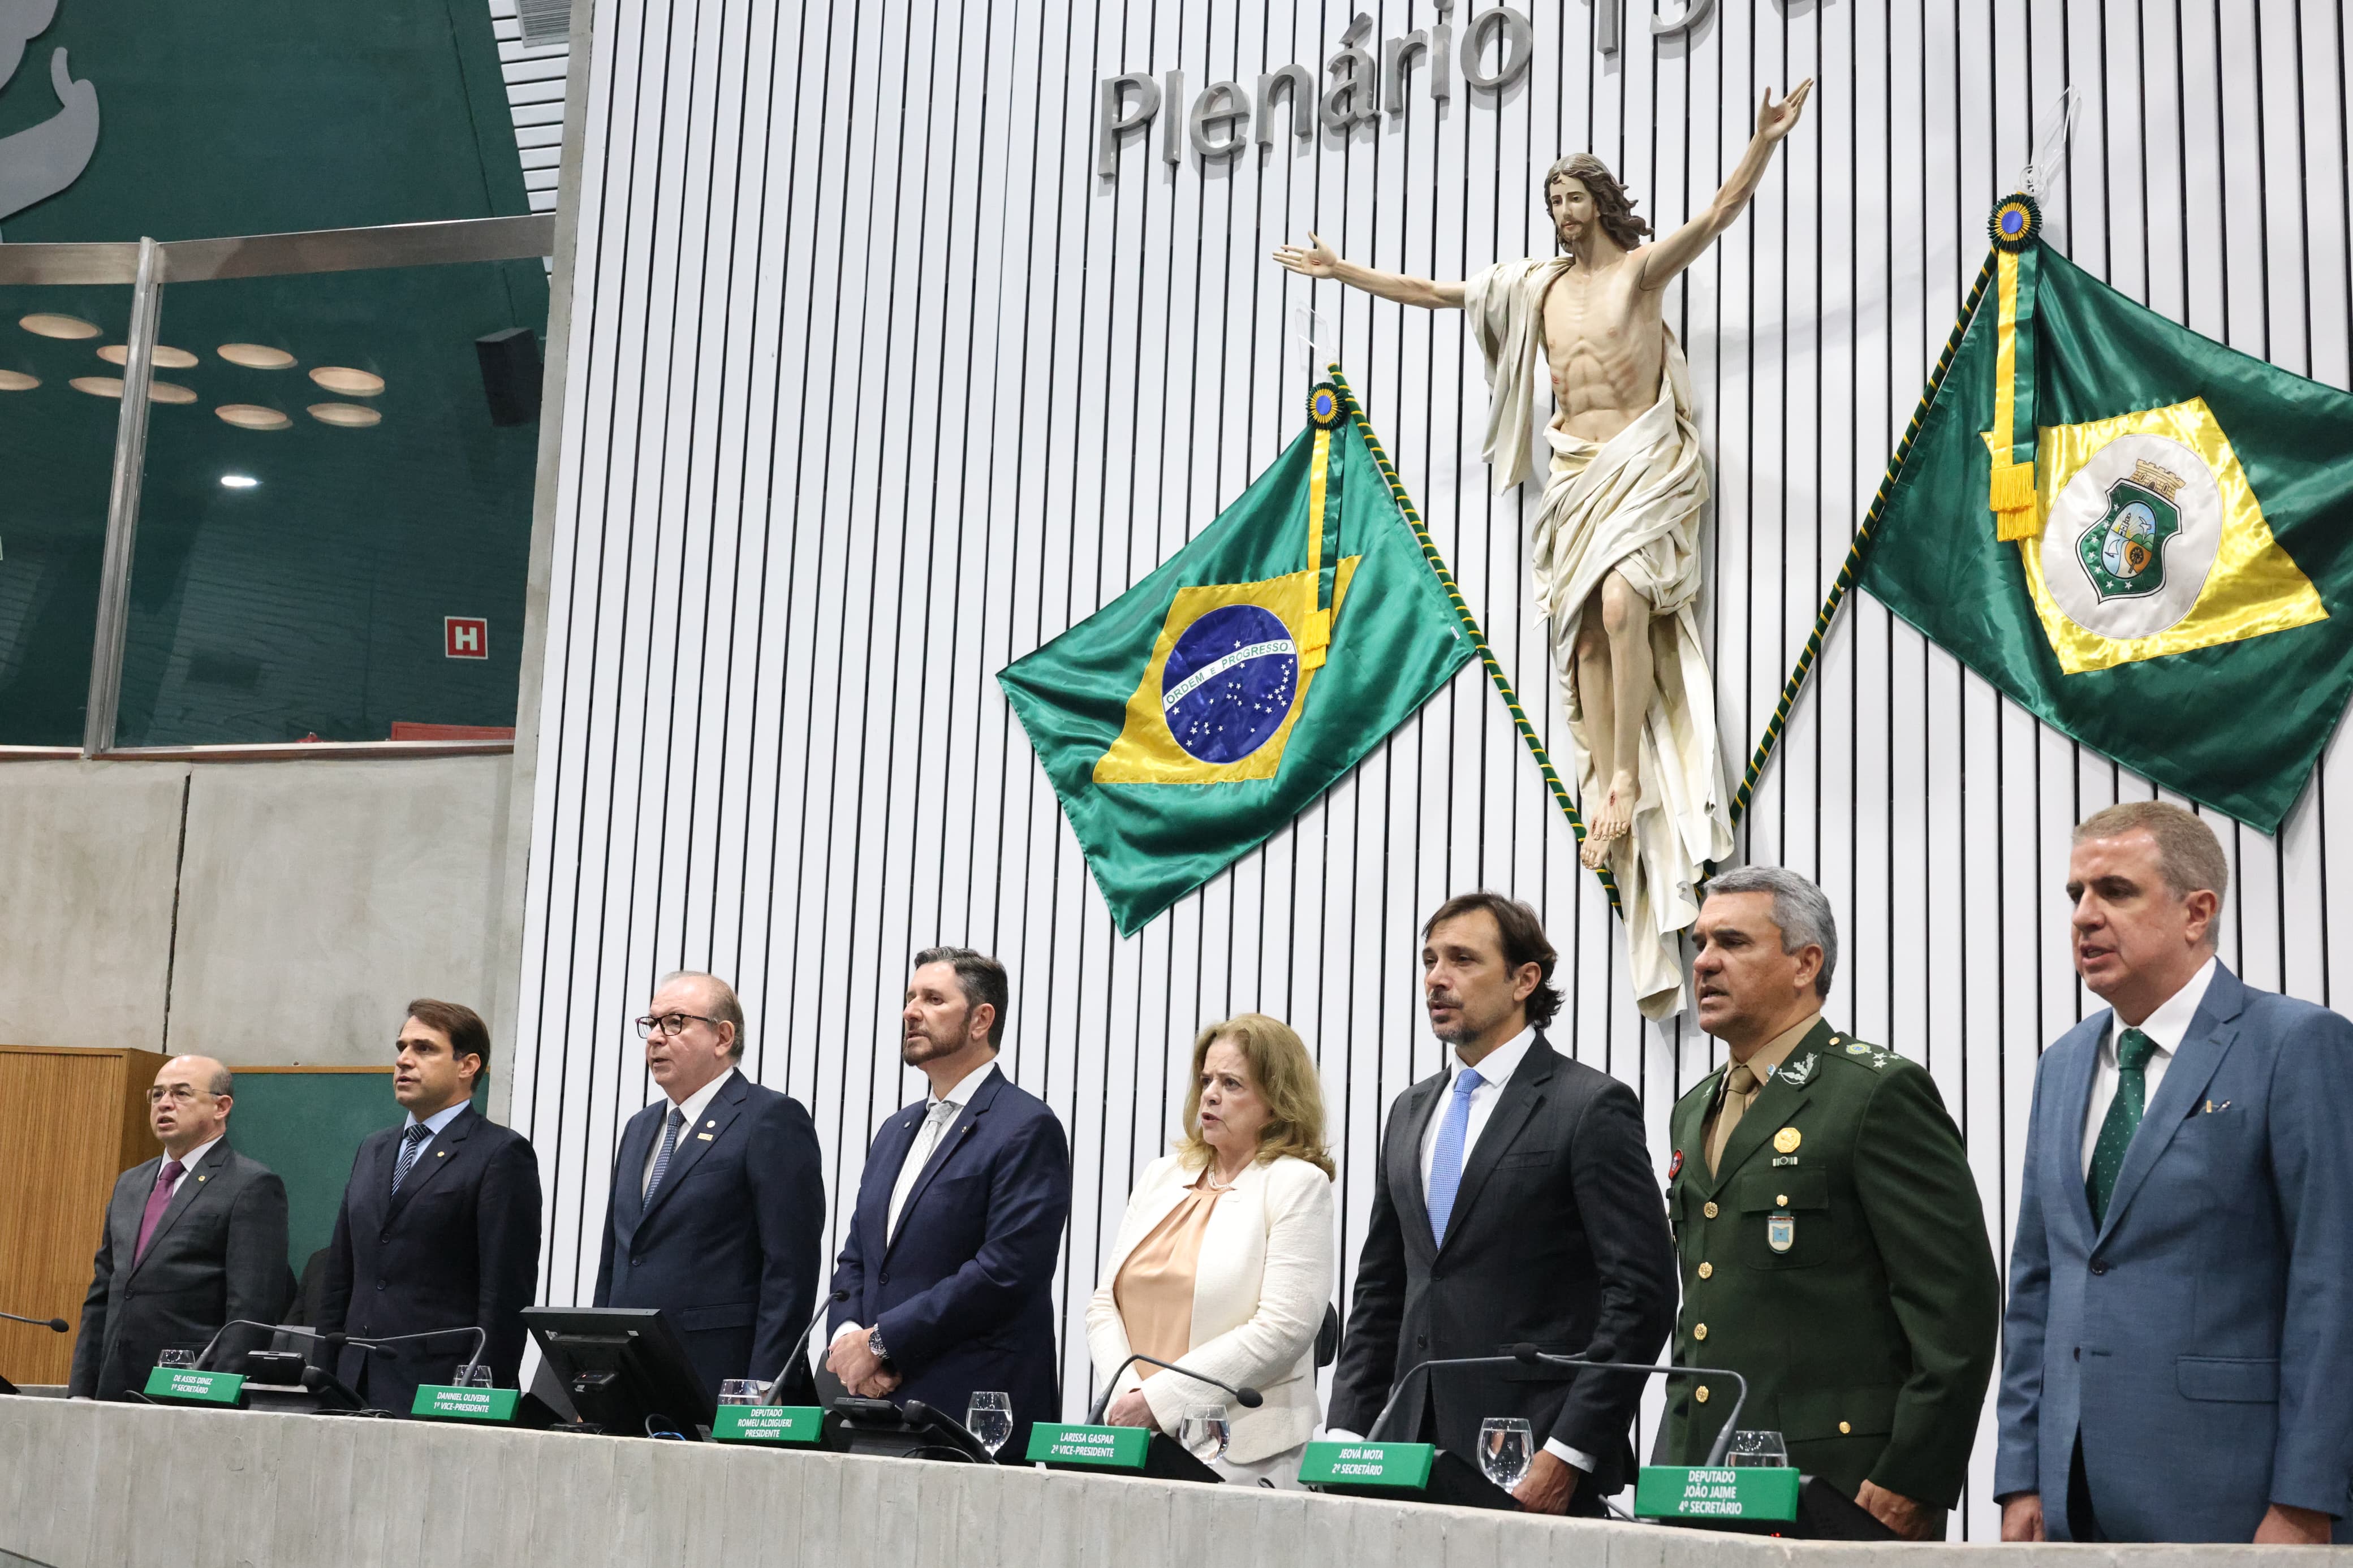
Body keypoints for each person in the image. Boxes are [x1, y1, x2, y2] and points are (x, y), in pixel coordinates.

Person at [1271, 84, 1812, 1020]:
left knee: (1621, 605)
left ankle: (1629, 777)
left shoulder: (1638, 272)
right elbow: (1438, 293)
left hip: (1640, 459)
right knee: (1589, 642)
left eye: (1573, 199)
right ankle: (1607, 777)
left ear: (1601, 202)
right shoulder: (1537, 289)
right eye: (1551, 201)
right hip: (1573, 469)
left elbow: (1721, 216)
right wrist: (1344, 271)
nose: (1562, 215)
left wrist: (1761, 141)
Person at [1997, 802, 2353, 1545]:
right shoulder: (2062, 1065)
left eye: (2116, 891)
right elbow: (2037, 1282)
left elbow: (2334, 1282)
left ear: (2198, 912)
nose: (2085, 916)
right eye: (2075, 895)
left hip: (2237, 1494)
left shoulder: (2295, 1044)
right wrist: (2022, 1473)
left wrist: (2307, 1498)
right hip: (2070, 1495)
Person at [1659, 867, 1999, 1540]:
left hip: (1842, 1483)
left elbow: (1953, 1308)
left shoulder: (1875, 1093)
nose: (1703, 963)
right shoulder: (1694, 1108)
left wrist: (1914, 1474)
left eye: (1731, 941)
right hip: (1701, 1477)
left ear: (1803, 963)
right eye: (1698, 943)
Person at [1327, 893, 1676, 1514]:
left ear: (1524, 979)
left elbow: (1641, 1297)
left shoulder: (1588, 1106)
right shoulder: (1409, 1111)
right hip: (1403, 1451)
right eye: (1430, 959)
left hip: (1531, 1454)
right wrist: (1346, 1434)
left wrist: (1568, 1451)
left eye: (1462, 959)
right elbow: (1383, 1289)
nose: (1436, 977)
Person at [828, 947, 1071, 1453]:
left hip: (973, 1409)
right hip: (878, 1403)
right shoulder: (896, 1130)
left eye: (933, 999)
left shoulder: (1026, 1126)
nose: (910, 1011)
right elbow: (859, 1256)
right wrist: (849, 1339)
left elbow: (1005, 1271)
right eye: (910, 997)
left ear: (982, 1019)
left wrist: (880, 1342)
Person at [1087, 1013, 1337, 1486]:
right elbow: (1104, 1303)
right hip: (1134, 1440)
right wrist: (1131, 1398)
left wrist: (1160, 1401)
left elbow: (1283, 1329)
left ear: (1277, 1101)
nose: (1210, 1094)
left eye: (1232, 1083)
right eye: (1206, 1080)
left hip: (1243, 1455)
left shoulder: (1297, 1185)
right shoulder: (1162, 1175)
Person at [593, 970, 826, 1402]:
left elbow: (790, 1270)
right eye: (651, 1023)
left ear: (722, 1037)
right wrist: (596, 1370)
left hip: (723, 1377)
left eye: (675, 1022)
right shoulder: (640, 1127)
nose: (655, 1038)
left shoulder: (769, 1118)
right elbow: (617, 1257)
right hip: (635, 1378)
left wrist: (764, 1387)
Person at [313, 1000, 541, 1414]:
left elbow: (504, 1293)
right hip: (349, 1383)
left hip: (441, 1388)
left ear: (467, 1065)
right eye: (401, 1047)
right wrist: (322, 1375)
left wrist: (480, 1395)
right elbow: (341, 1276)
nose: (403, 1060)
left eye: (424, 1048)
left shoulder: (500, 1153)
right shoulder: (373, 1148)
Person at [69, 1055, 290, 1400]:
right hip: (113, 1388)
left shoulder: (251, 1185)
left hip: (190, 1391)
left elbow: (251, 1312)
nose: (165, 1104)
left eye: (181, 1094)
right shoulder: (130, 1184)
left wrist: (214, 1395)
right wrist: (81, 1391)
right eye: (157, 1095)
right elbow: (103, 1294)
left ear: (222, 1107)